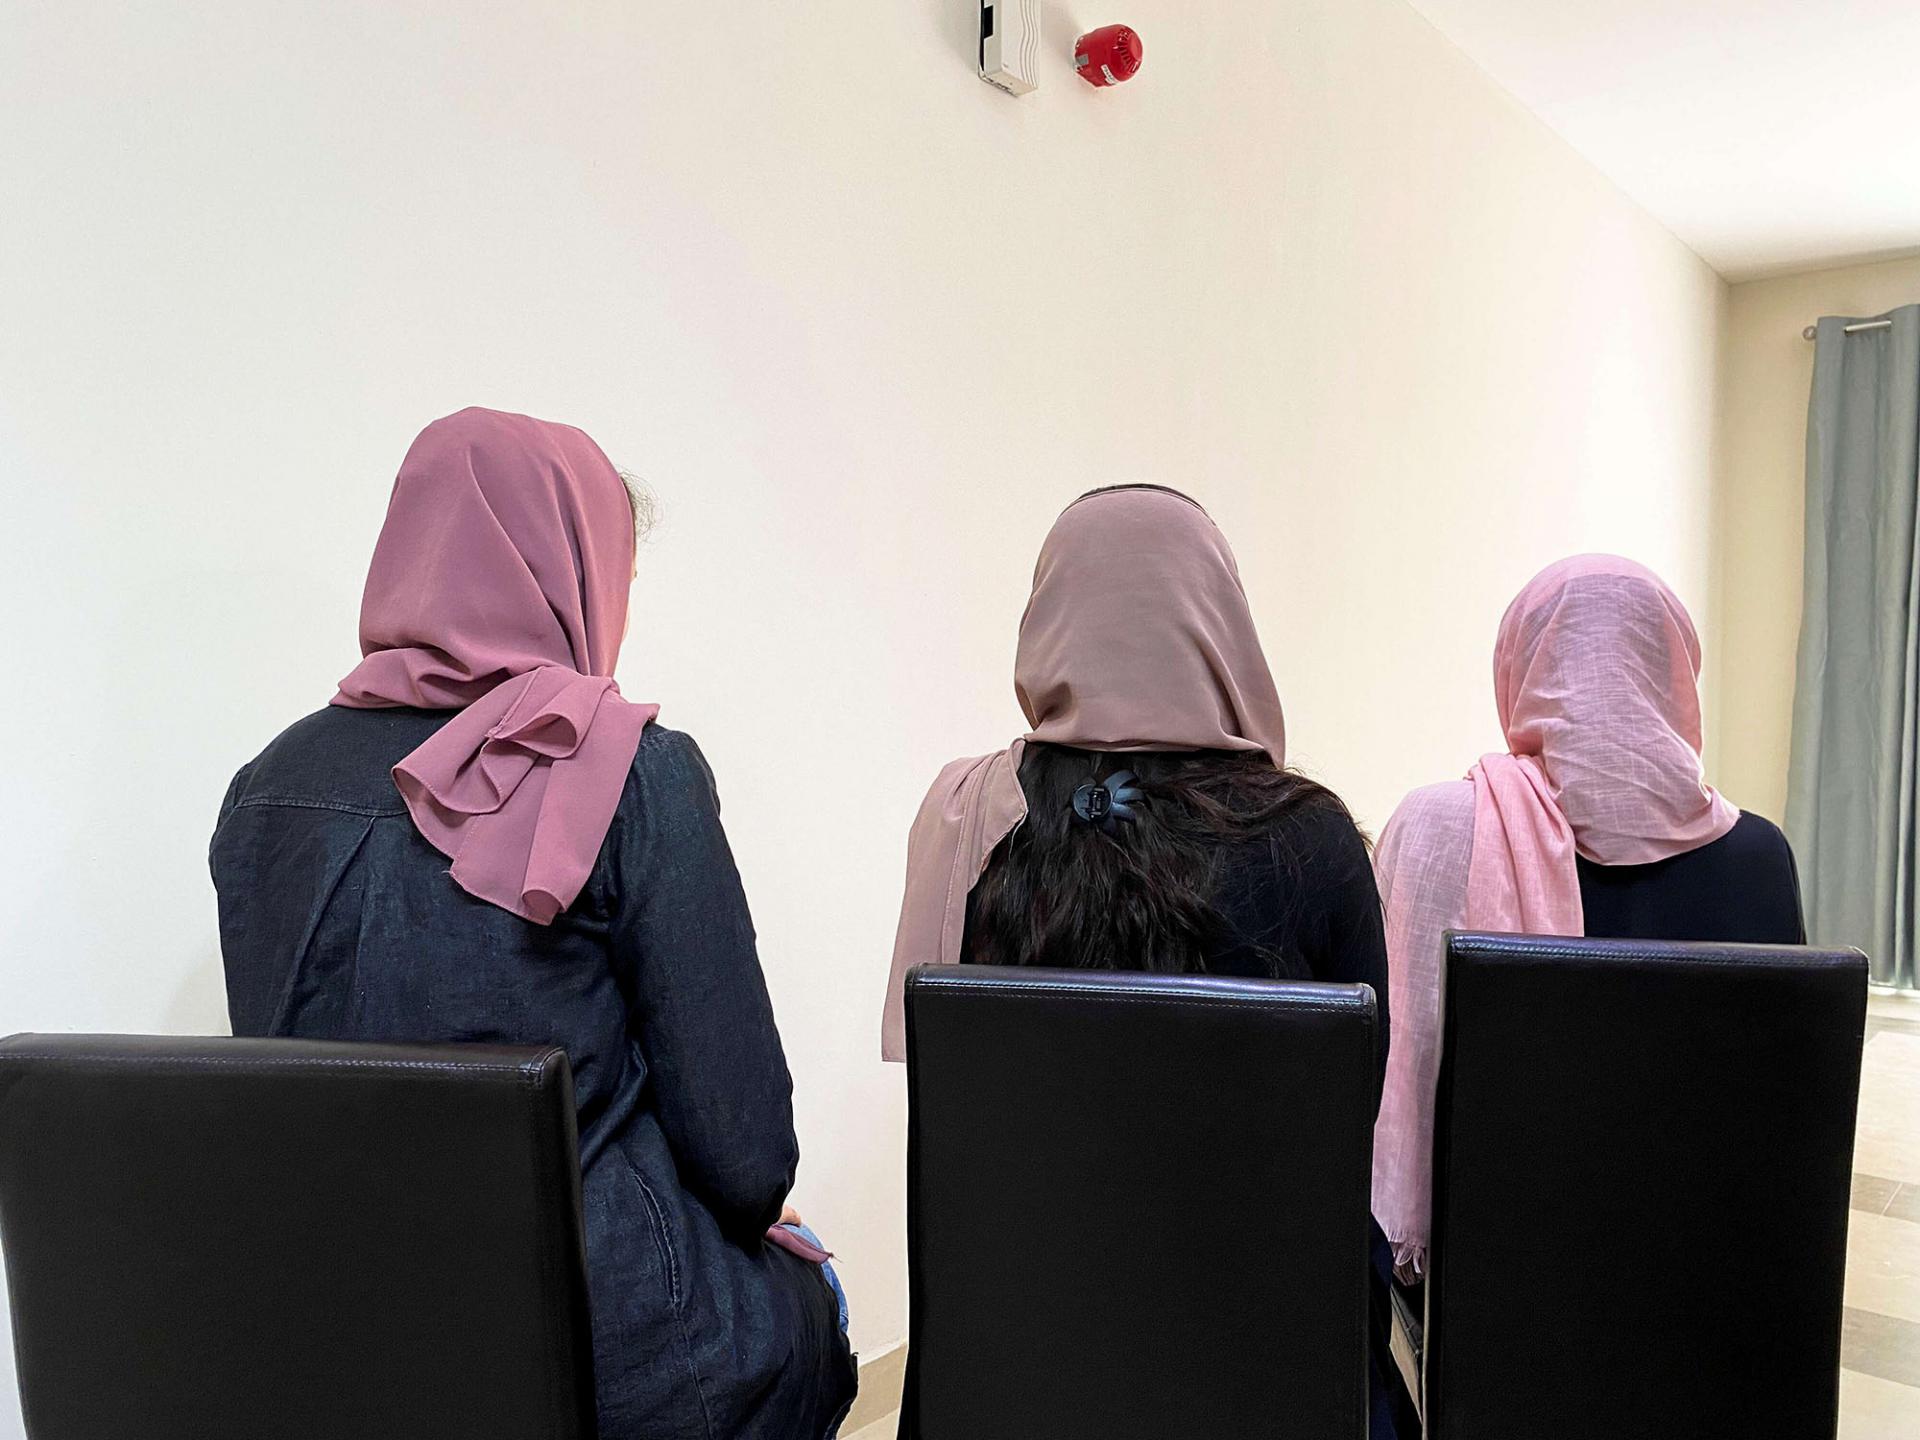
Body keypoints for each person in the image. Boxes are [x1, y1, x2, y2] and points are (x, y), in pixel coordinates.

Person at [211, 407, 856, 1440]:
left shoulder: (265, 788)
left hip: (349, 1346)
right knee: (816, 1296)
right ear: (569, 577)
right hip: (612, 1359)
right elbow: (745, 1162)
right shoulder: (635, 772)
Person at [881, 483, 1417, 1440]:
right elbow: (1348, 1120)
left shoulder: (969, 821)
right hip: (1269, 1356)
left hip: (1021, 1355)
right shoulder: (1313, 840)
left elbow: (957, 1124)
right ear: (1222, 626)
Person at [1370, 554, 1805, 1284]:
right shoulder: (1761, 855)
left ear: (1520, 671)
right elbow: (1788, 1111)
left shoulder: (1441, 828)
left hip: (1499, 1284)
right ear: (1674, 674)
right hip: (1719, 1277)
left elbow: (1389, 1070)